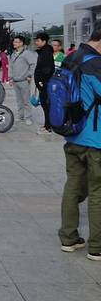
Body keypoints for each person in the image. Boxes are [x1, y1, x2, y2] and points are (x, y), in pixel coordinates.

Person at [58, 21, 101, 262]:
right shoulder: (96, 64)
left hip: (73, 134)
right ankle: (97, 247)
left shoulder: (71, 58)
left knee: (73, 185)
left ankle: (69, 238)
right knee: (98, 192)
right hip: (95, 138)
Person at [9, 36, 37, 126]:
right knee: (19, 100)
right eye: (14, 42)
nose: (14, 43)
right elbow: (10, 67)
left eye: (16, 42)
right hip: (15, 81)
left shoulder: (27, 53)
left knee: (26, 100)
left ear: (21, 43)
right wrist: (10, 78)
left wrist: (29, 75)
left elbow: (33, 64)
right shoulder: (13, 54)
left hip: (24, 80)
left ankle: (28, 117)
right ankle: (20, 116)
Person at [34, 32, 55, 134]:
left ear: (44, 41)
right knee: (44, 104)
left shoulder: (46, 52)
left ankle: (48, 127)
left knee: (46, 104)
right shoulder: (43, 51)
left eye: (38, 40)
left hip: (45, 82)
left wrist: (41, 80)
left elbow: (47, 69)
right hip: (43, 82)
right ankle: (47, 124)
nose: (36, 42)